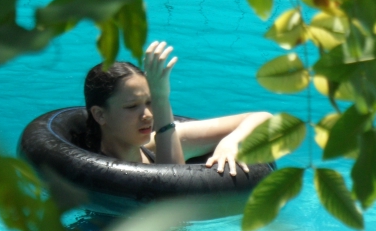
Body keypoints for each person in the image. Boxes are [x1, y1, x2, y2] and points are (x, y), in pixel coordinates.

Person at [81, 41, 273, 175]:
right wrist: (160, 98)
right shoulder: (88, 168)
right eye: (132, 106)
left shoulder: (158, 144)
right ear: (100, 115)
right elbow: (171, 187)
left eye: (150, 102)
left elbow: (264, 119)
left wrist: (230, 141)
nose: (147, 115)